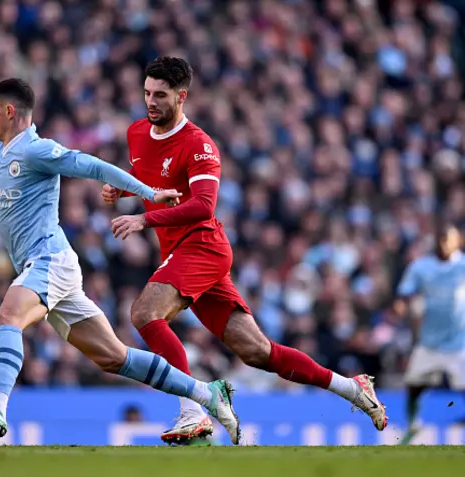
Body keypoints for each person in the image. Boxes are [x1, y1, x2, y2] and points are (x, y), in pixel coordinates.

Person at [0, 78, 241, 444]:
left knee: (6, 316)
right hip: (45, 266)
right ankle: (207, 394)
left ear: (9, 112)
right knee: (113, 357)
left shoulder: (36, 151)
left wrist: (149, 193)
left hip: (50, 259)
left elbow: (92, 166)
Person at [103, 57, 388, 445]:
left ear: (182, 96)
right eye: (147, 93)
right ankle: (352, 389)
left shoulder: (199, 144)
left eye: (161, 95)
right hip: (183, 253)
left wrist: (143, 220)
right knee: (257, 352)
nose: (150, 102)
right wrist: (124, 189)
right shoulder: (137, 132)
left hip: (201, 246)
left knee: (144, 313)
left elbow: (204, 205)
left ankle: (193, 411)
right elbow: (151, 177)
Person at [395, 222, 465, 445]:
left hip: (459, 342)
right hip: (429, 342)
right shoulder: (421, 268)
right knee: (414, 383)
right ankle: (414, 424)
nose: (445, 244)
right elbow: (404, 294)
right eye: (441, 238)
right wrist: (402, 307)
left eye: (449, 239)